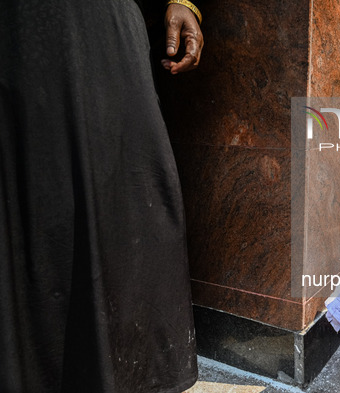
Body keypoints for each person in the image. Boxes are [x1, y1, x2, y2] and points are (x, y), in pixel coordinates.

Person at [0, 0, 203, 392]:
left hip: (102, 20)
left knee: (132, 182)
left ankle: (128, 374)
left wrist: (182, 1)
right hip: (17, 30)